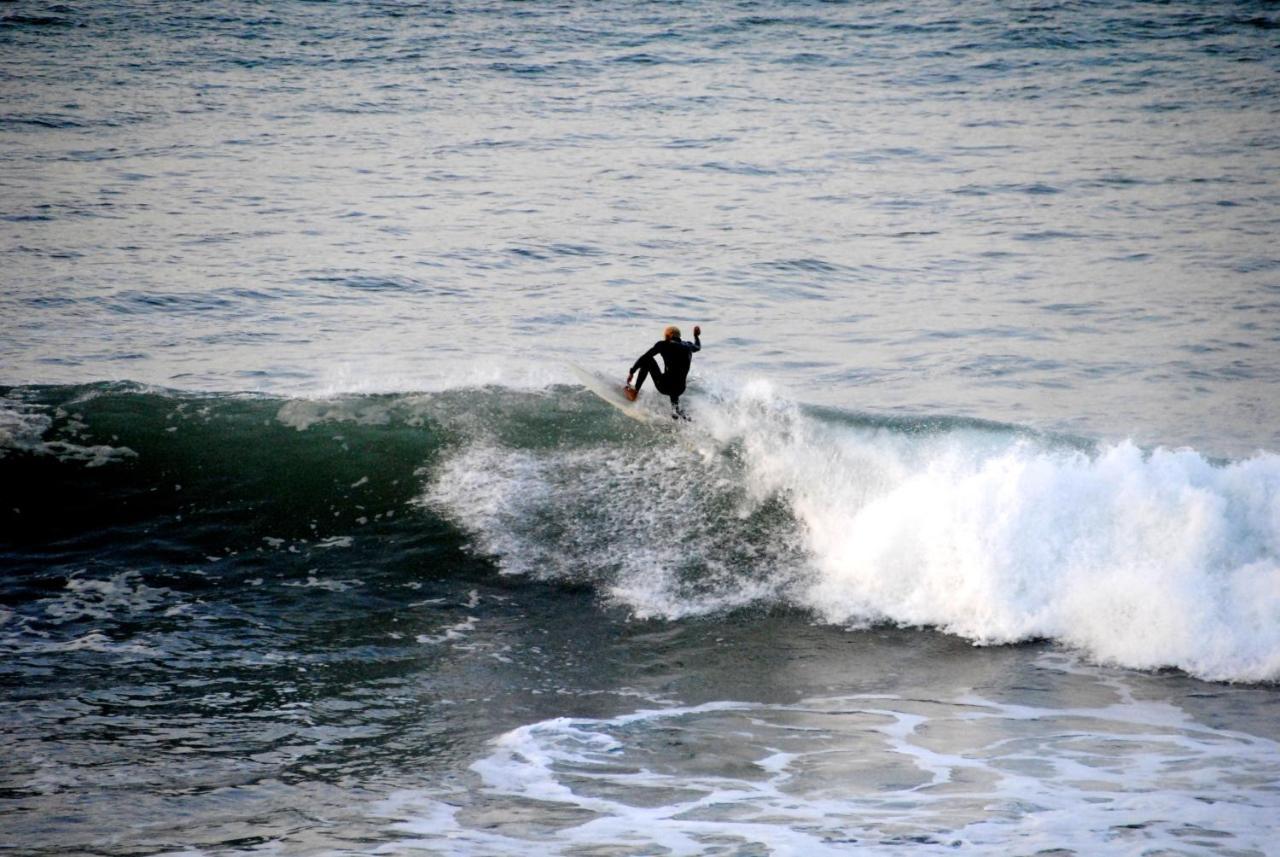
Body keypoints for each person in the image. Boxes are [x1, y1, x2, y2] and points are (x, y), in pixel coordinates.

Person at [625, 324, 702, 417]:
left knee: (648, 360)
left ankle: (634, 392)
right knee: (676, 376)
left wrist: (632, 372)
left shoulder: (663, 344)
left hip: (665, 386)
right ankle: (675, 411)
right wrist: (696, 336)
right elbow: (698, 346)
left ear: (669, 335)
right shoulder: (688, 346)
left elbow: (644, 357)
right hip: (680, 389)